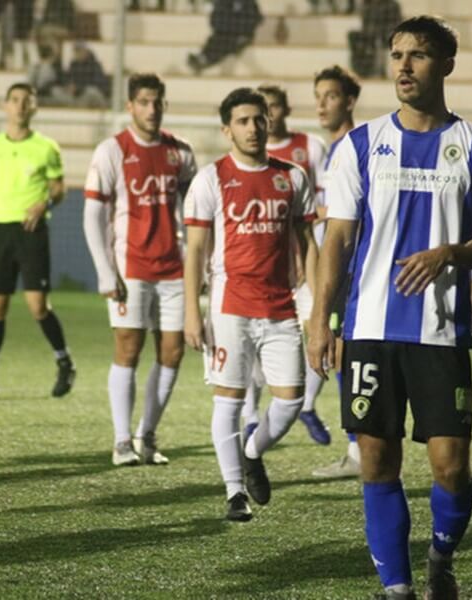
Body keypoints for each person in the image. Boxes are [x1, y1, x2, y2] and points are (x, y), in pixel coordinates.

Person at [307, 16, 472, 599]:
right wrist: (323, 320)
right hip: (370, 328)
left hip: (441, 333)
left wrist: (452, 253)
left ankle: (441, 556)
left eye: (418, 55)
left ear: (446, 64)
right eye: (397, 54)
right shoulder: (359, 146)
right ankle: (396, 588)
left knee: (450, 466)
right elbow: (339, 240)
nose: (403, 65)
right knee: (377, 461)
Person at [184, 87, 318, 522]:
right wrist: (192, 309)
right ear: (227, 130)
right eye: (243, 121)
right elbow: (196, 251)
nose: (254, 127)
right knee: (229, 398)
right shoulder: (210, 178)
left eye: (259, 118)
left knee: (292, 400)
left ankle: (251, 448)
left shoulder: (292, 176)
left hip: (281, 306)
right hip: (230, 305)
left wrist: (315, 306)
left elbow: (308, 245)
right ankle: (234, 492)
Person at [83, 73, 197, 466]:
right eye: (144, 102)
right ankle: (120, 441)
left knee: (173, 351)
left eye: (157, 102)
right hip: (131, 269)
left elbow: (196, 215)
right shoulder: (112, 151)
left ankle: (146, 436)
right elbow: (92, 216)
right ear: (130, 106)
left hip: (174, 268)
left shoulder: (181, 152)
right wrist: (104, 270)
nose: (151, 109)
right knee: (128, 348)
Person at [0, 82, 76, 398]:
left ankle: (65, 362)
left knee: (37, 305)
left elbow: (59, 188)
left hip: (31, 232)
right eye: (14, 100)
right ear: (5, 106)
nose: (20, 106)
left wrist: (45, 203)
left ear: (35, 107)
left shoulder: (46, 147)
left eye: (26, 101)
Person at [240, 83, 329, 446]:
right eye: (264, 109)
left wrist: (313, 223)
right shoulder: (245, 158)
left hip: (306, 265)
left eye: (274, 107)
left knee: (320, 335)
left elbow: (328, 198)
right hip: (266, 271)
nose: (269, 115)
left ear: (286, 108)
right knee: (253, 344)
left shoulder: (309, 148)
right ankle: (249, 417)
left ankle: (306, 404)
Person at [305, 65, 365, 480]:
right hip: (334, 265)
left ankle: (362, 452)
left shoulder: (356, 147)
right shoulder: (326, 151)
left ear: (348, 101)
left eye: (330, 95)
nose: (322, 104)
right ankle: (357, 449)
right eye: (318, 96)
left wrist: (320, 213)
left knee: (347, 355)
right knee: (341, 357)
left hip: (353, 267)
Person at [186, 0, 261, 74]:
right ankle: (203, 58)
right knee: (216, 40)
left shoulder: (248, 3)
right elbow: (214, 20)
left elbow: (255, 19)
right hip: (223, 32)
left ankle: (204, 59)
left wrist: (240, 30)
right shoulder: (222, 2)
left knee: (223, 42)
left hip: (241, 35)